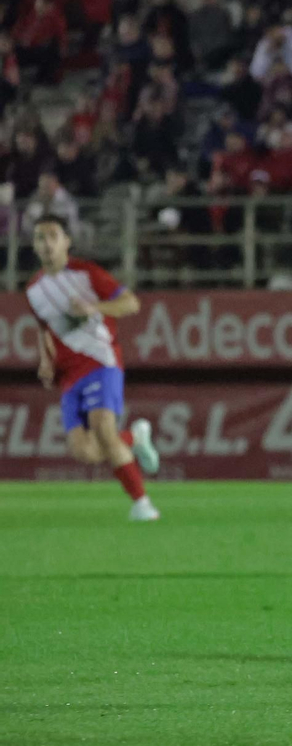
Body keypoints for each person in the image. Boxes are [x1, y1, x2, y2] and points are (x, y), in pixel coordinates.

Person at [27, 215, 162, 521]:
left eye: (52, 236)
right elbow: (44, 328)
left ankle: (142, 503)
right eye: (39, 238)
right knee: (83, 451)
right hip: (68, 375)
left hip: (101, 361)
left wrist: (94, 308)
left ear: (66, 242)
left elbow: (130, 303)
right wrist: (45, 358)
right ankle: (134, 439)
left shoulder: (86, 274)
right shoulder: (34, 289)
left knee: (103, 428)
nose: (46, 243)